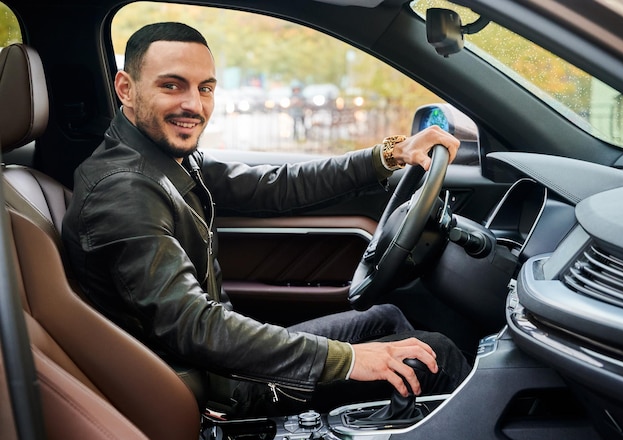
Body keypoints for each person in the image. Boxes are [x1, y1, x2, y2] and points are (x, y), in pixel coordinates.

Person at [62, 22, 469, 418]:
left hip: (218, 362)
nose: (194, 105)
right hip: (218, 388)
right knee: (436, 356)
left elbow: (273, 186)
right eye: (172, 85)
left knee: (386, 319)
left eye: (205, 88)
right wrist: (347, 360)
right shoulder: (123, 192)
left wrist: (390, 154)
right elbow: (193, 327)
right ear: (126, 89)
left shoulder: (162, 160)